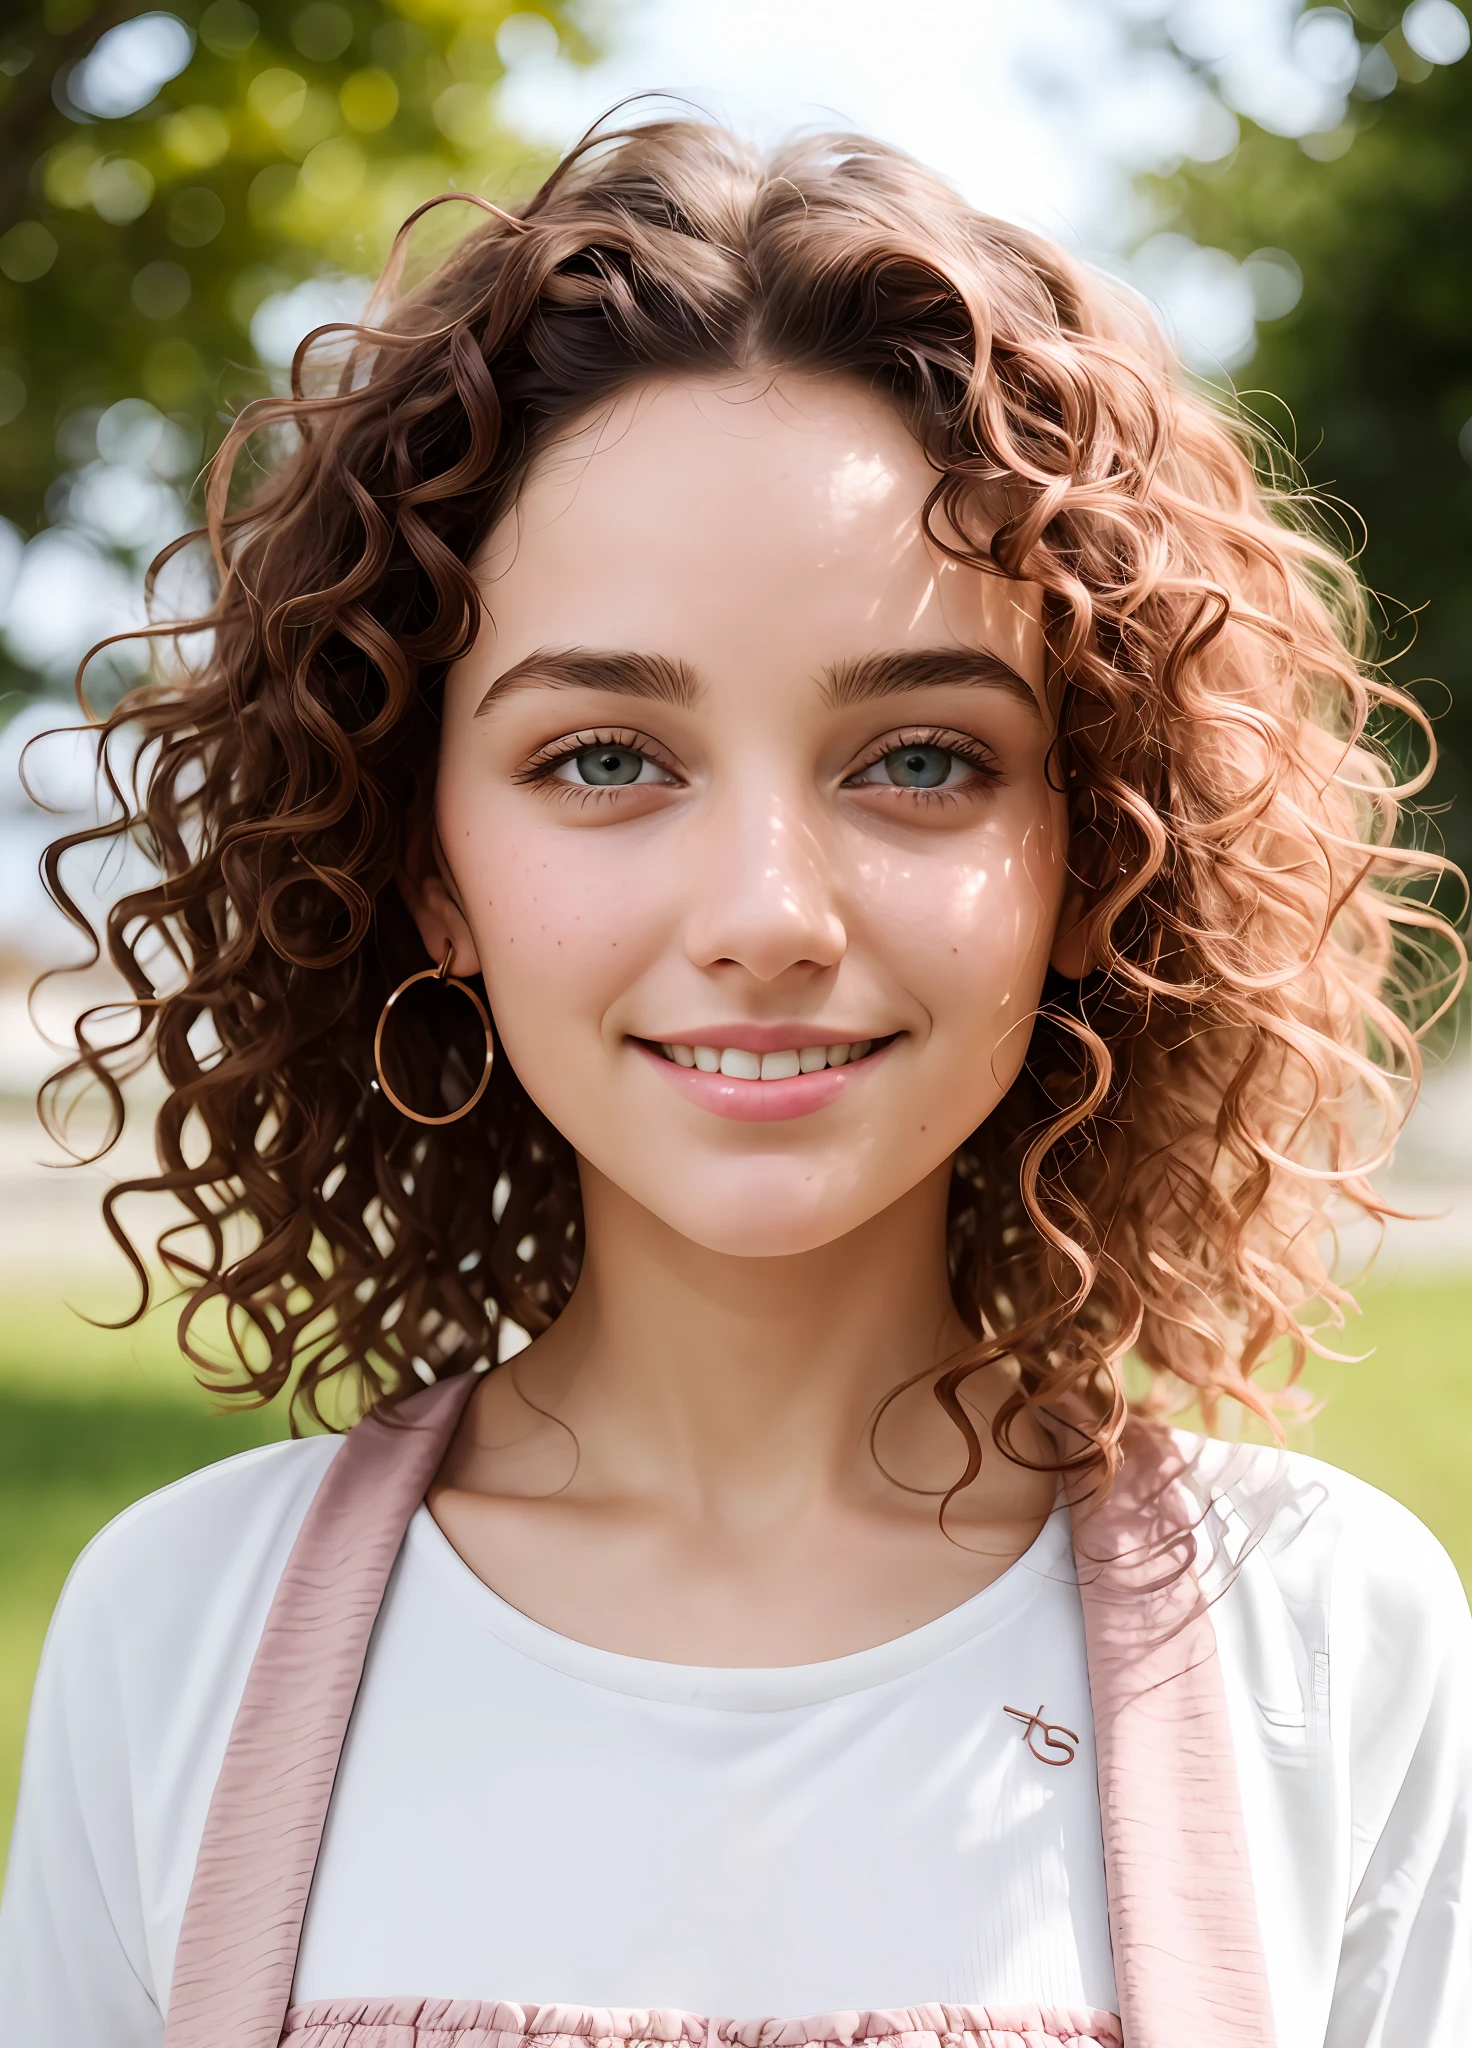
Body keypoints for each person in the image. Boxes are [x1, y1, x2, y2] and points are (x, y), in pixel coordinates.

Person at [1, 118, 1468, 2048]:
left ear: (1093, 854)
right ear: (427, 859)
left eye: (921, 758)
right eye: (605, 758)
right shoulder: (174, 1630)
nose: (768, 914)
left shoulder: (1325, 1639)